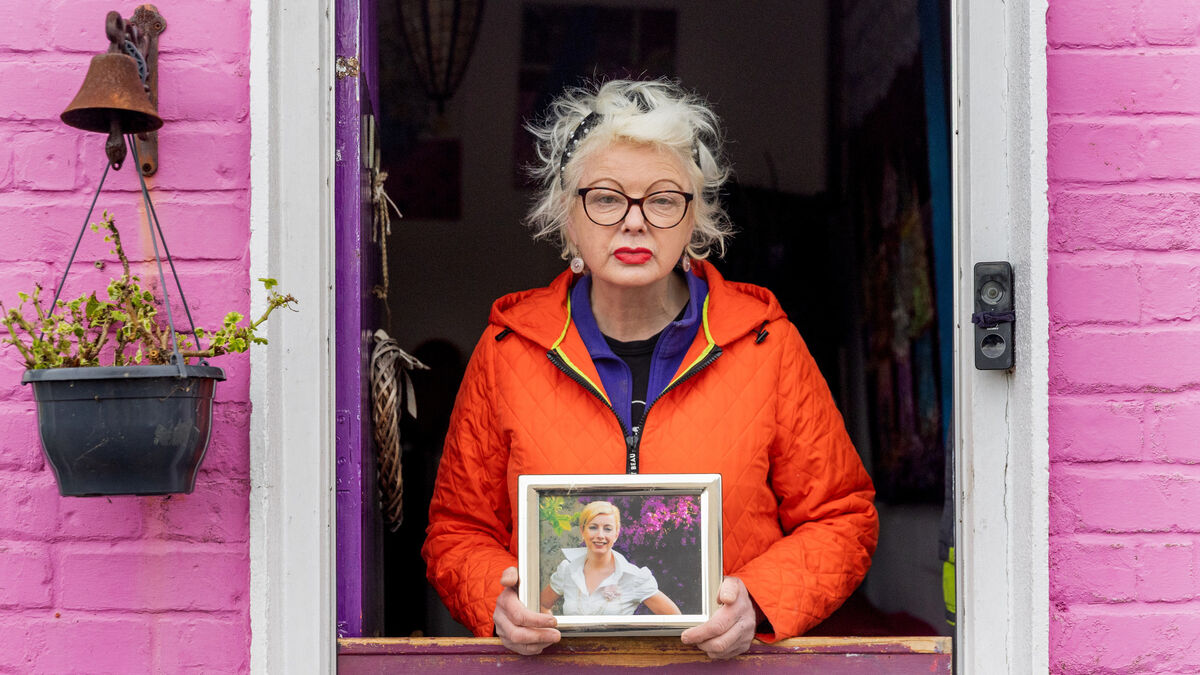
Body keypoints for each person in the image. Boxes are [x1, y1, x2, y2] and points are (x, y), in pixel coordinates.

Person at [422, 79, 878, 659]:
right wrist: (496, 598)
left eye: (662, 200)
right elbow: (456, 530)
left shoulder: (767, 344)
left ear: (695, 219)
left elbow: (843, 518)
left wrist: (758, 602)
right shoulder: (508, 351)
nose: (634, 222)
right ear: (567, 217)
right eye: (606, 198)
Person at [539, 501, 680, 616]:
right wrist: (553, 636)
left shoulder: (634, 577)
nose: (600, 535)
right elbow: (541, 606)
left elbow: (674, 618)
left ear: (616, 534)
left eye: (607, 529)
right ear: (582, 531)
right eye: (593, 527)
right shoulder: (567, 571)